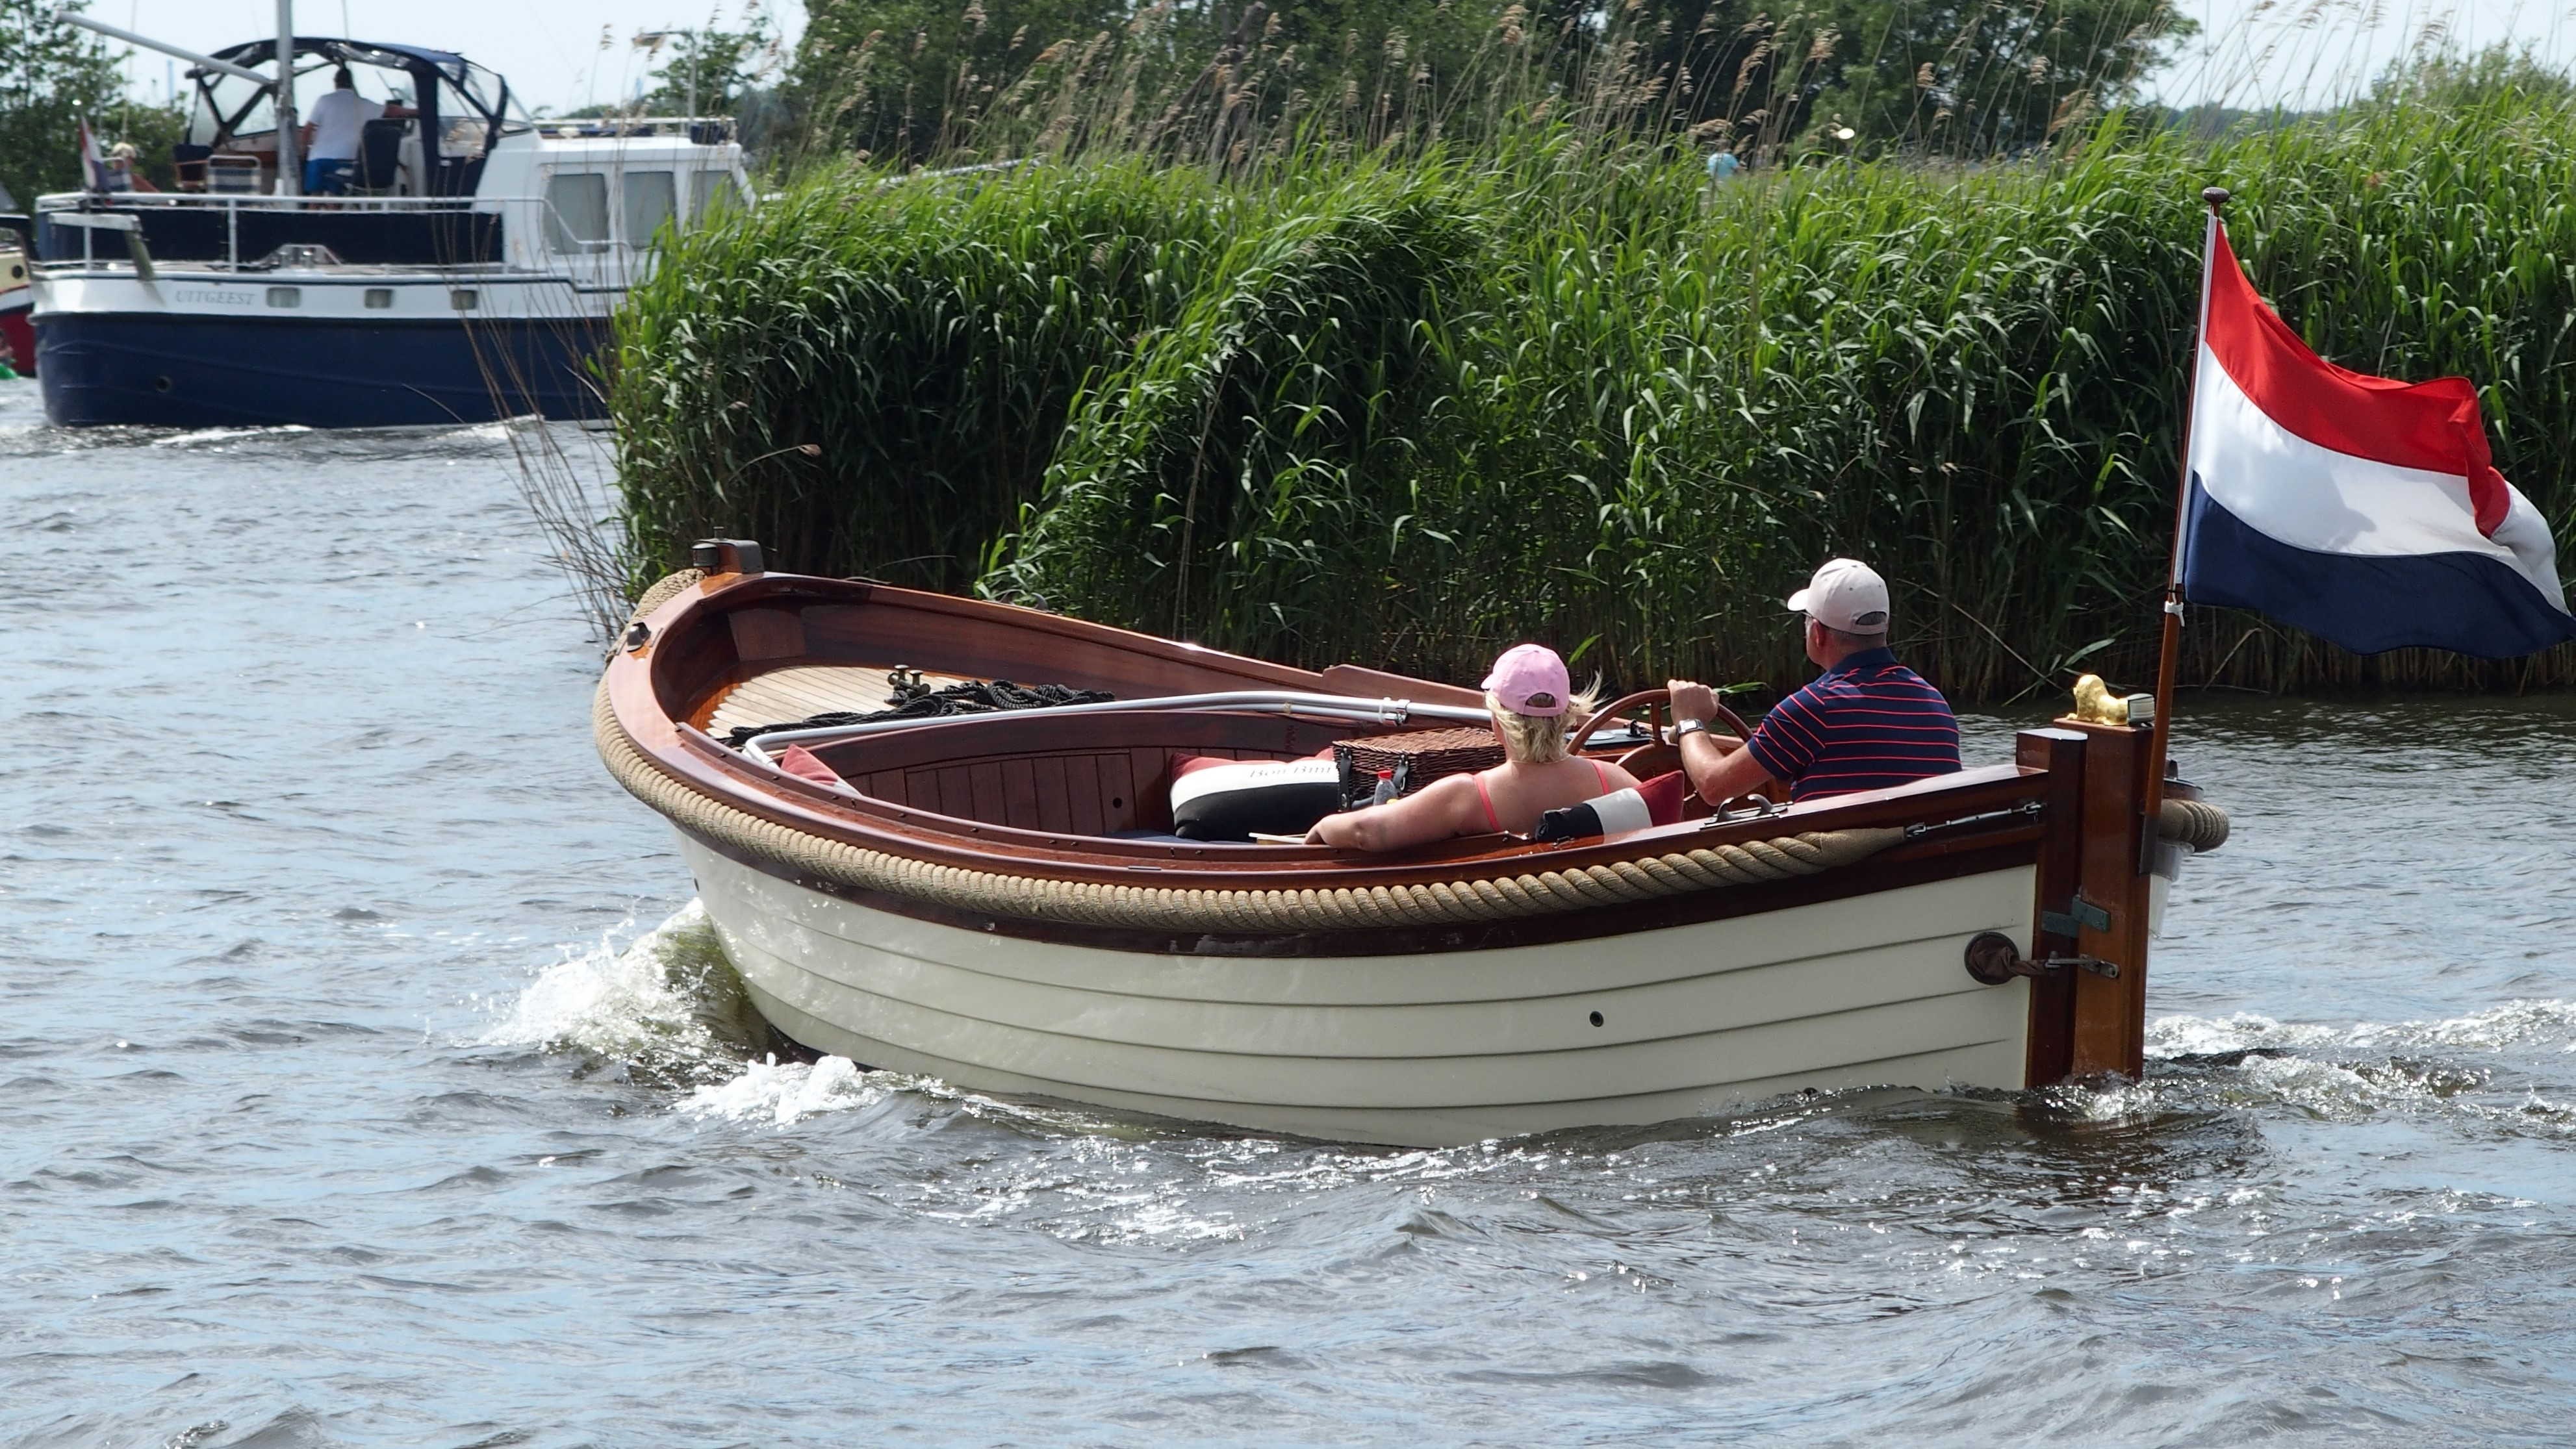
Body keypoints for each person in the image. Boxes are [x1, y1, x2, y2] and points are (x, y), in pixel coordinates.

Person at [1667, 558, 1959, 807]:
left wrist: (1689, 722)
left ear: (1818, 633)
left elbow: (1713, 787)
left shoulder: (1813, 708)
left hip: (1847, 869)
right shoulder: (1934, 701)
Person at [1307, 644, 1641, 851]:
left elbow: (1370, 831)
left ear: (1498, 724)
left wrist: (1325, 826)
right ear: (1568, 717)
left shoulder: (1467, 797)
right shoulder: (1613, 780)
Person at [300, 68, 410, 195]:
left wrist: (304, 154)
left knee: (314, 201)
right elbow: (390, 110)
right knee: (334, 201)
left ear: (335, 82)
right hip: (345, 160)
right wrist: (415, 112)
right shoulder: (363, 104)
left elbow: (306, 131)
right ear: (352, 83)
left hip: (318, 159)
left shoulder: (324, 100)